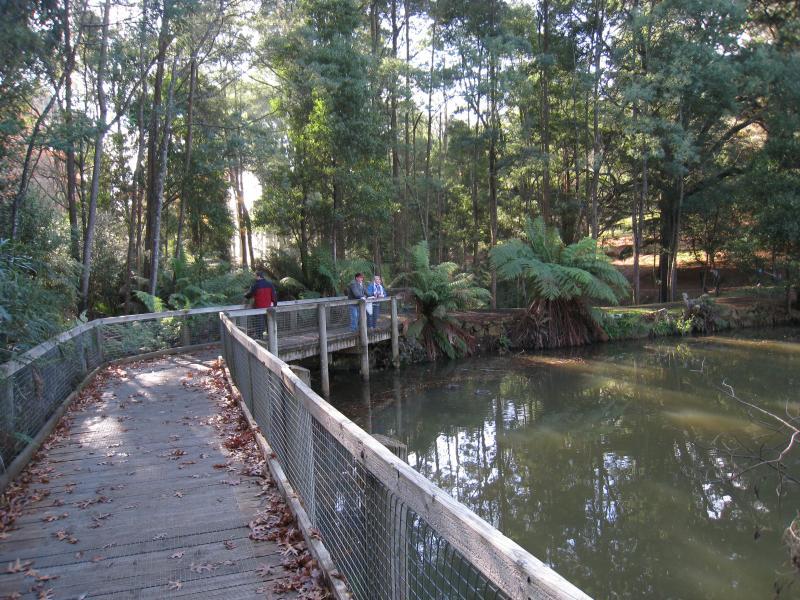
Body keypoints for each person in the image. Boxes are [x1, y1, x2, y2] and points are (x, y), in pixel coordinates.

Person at [244, 271, 278, 337]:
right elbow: (274, 295)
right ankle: (270, 335)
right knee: (268, 322)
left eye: (255, 276)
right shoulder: (270, 284)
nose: (255, 277)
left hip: (258, 307)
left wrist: (245, 296)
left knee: (259, 322)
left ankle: (260, 337)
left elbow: (250, 294)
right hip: (268, 307)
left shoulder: (255, 285)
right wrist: (275, 304)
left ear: (259, 276)